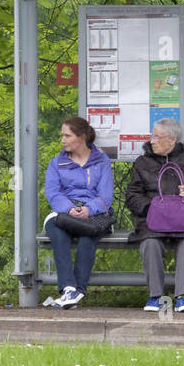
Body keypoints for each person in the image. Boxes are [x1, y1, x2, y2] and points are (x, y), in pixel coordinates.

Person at [126, 118, 184, 313]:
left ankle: (183, 297)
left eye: (157, 136)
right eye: (152, 136)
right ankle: (156, 296)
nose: (152, 140)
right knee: (149, 243)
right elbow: (132, 197)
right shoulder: (143, 162)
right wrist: (152, 208)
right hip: (152, 222)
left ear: (172, 139)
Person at [43, 116, 114, 309]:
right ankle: (68, 289)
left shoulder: (101, 161)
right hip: (64, 212)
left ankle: (78, 290)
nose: (63, 140)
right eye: (62, 136)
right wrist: (69, 208)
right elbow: (52, 192)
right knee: (57, 233)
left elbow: (106, 195)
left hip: (95, 214)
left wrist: (89, 209)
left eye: (67, 136)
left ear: (81, 137)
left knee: (87, 237)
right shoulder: (56, 163)